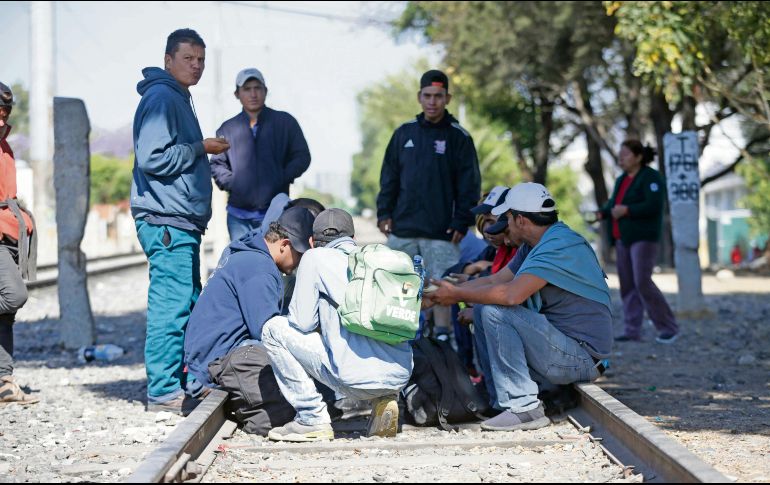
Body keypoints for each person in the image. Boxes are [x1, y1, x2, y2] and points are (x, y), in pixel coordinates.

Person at [428, 183, 612, 431]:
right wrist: (444, 289)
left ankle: (524, 408)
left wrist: (457, 294)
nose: (504, 226)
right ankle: (500, 402)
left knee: (493, 311)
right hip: (560, 347)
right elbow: (495, 280)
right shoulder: (536, 244)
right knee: (485, 311)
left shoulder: (558, 246)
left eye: (507, 219)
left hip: (582, 358)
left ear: (521, 220)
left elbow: (512, 295)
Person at [130, 28, 230, 414]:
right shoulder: (161, 98)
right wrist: (201, 147)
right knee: (171, 307)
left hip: (180, 220)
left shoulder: (177, 98)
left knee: (188, 303)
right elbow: (153, 158)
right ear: (168, 59)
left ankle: (188, 381)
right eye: (188, 58)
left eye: (201, 59)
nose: (197, 66)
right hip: (166, 219)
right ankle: (162, 391)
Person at [262, 209, 414, 442]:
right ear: (352, 239)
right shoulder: (379, 260)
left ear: (312, 242)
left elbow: (302, 323)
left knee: (273, 329)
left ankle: (312, 418)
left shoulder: (315, 257)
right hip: (399, 375)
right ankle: (384, 399)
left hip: (354, 379)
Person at [184, 207, 315, 435]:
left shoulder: (248, 256)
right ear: (284, 244)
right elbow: (266, 331)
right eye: (300, 254)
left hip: (207, 355)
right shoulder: (259, 268)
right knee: (289, 359)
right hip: (215, 360)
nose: (300, 262)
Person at [376, 69, 481, 337]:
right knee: (400, 286)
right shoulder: (404, 134)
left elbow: (469, 185)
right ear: (419, 97)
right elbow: (389, 177)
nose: (432, 101)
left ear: (448, 98)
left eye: (438, 96)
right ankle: (400, 335)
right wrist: (384, 211)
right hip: (404, 229)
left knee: (441, 286)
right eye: (427, 96)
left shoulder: (459, 137)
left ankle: (443, 337)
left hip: (442, 232)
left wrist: (462, 221)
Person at [210, 68, 311, 241]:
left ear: (265, 91)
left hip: (276, 212)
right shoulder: (227, 129)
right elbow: (217, 164)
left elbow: (302, 156)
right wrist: (234, 183)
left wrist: (281, 176)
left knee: (273, 264)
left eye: (257, 88)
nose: (253, 94)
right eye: (247, 89)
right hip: (238, 215)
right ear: (237, 94)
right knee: (242, 263)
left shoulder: (285, 122)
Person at [596, 140, 678, 344]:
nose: (621, 158)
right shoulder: (622, 179)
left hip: (644, 237)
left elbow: (654, 205)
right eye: (620, 154)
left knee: (642, 281)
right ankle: (632, 330)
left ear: (639, 156)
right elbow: (614, 203)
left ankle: (668, 327)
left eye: (625, 154)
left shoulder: (651, 177)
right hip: (623, 238)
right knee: (627, 284)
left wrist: (628, 210)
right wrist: (603, 213)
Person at [0, 82, 38, 405]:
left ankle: (3, 380)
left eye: (5, 112)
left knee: (6, 313)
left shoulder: (6, 148)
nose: (1, 119)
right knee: (14, 295)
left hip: (7, 232)